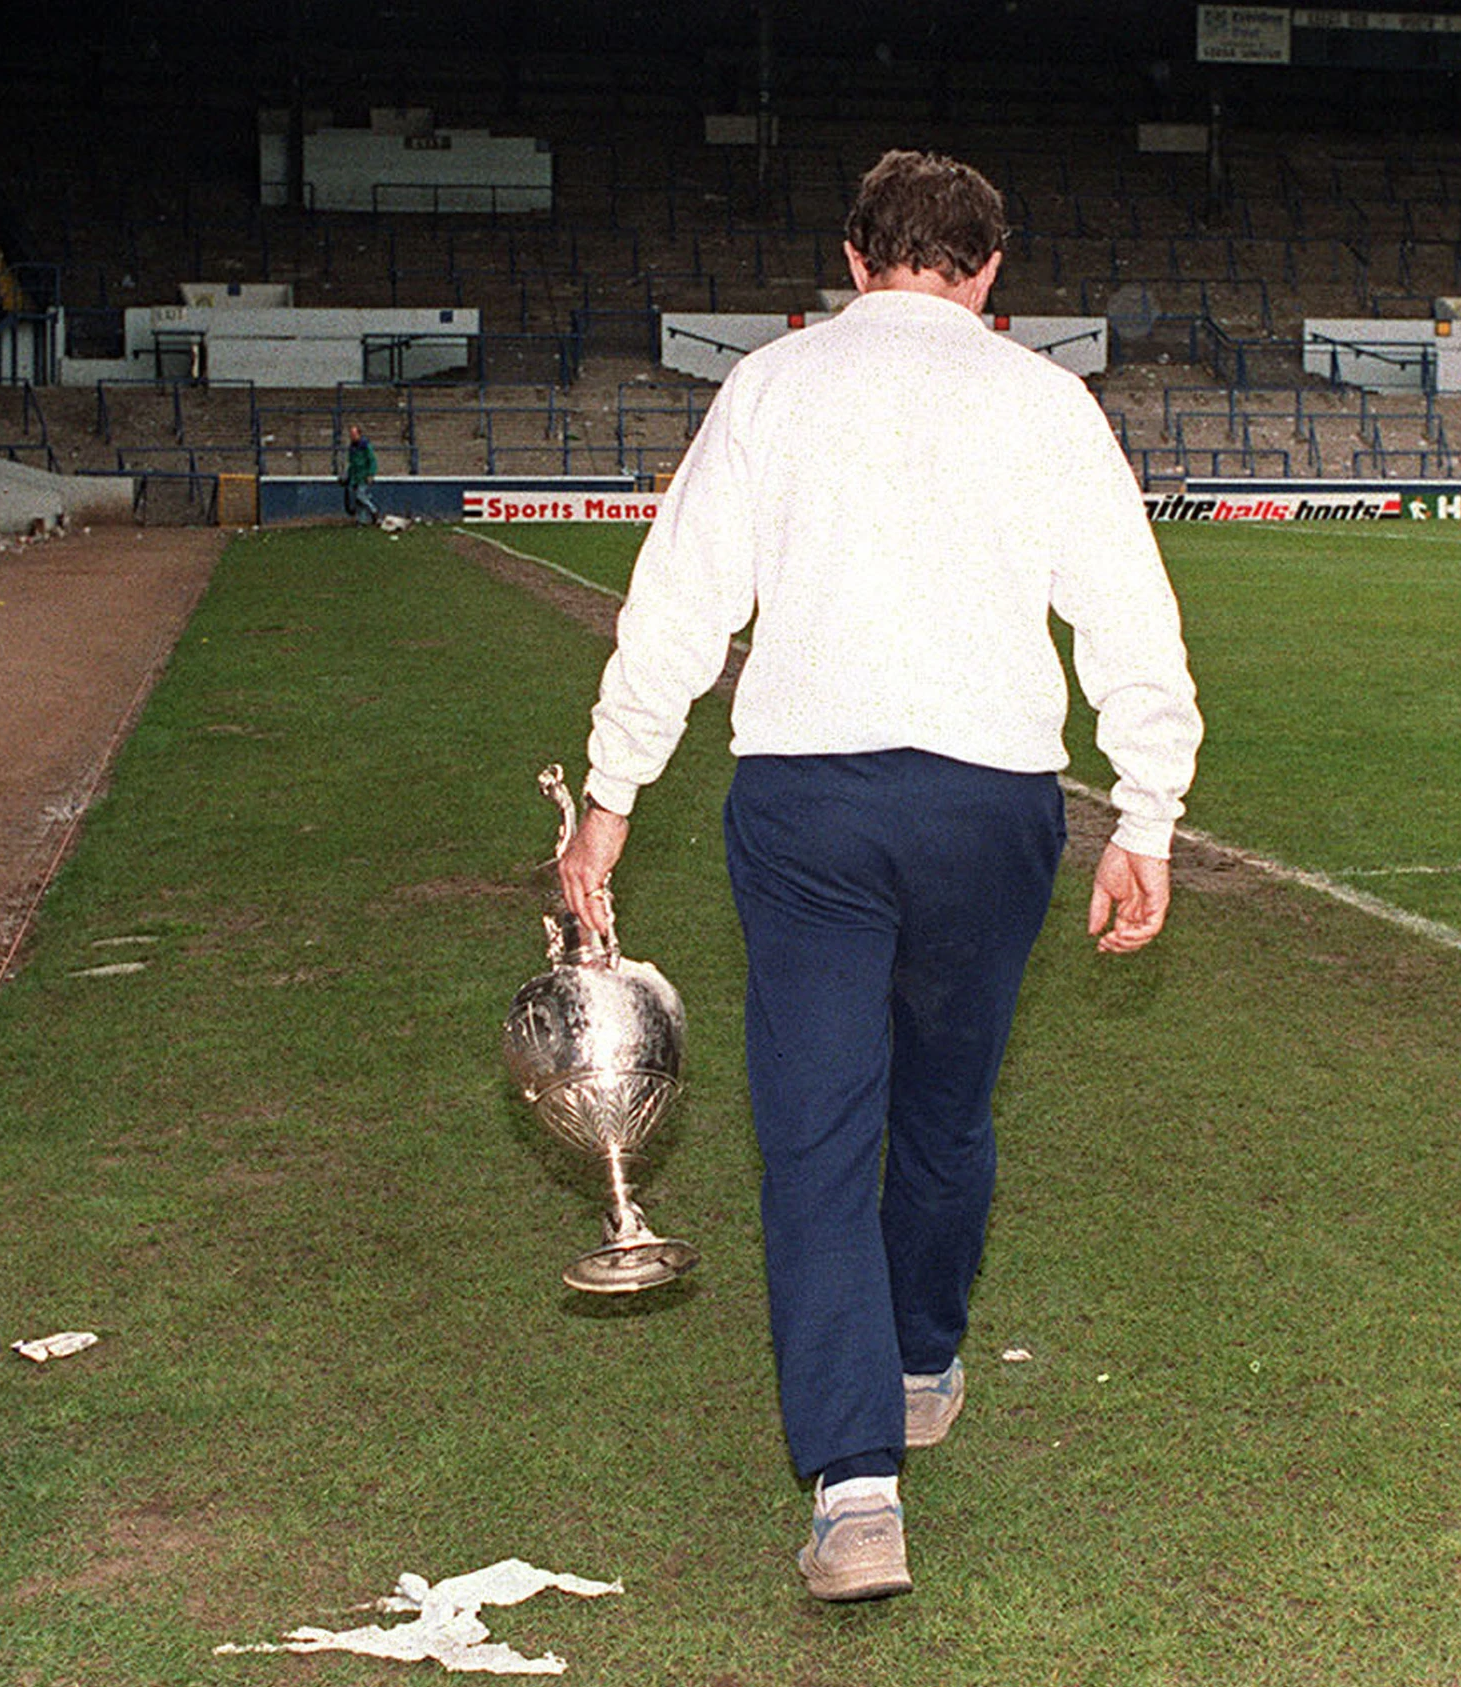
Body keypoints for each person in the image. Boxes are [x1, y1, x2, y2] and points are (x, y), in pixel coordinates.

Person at [552, 149, 1201, 1603]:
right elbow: (1130, 615)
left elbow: (677, 605)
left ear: (854, 259)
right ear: (990, 271)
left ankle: (856, 1492)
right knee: (946, 1109)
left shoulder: (771, 386)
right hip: (989, 804)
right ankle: (915, 1363)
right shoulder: (1045, 399)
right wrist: (1147, 811)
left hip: (811, 805)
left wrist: (610, 797)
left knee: (820, 1132)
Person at [342, 426, 378, 523]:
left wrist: (371, 474)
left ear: (359, 434)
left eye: (354, 434)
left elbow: (372, 460)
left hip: (363, 475)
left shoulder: (366, 446)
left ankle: (373, 510)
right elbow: (351, 462)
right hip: (355, 476)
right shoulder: (352, 447)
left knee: (360, 496)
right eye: (351, 434)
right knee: (358, 500)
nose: (352, 436)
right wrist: (348, 475)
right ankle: (361, 520)